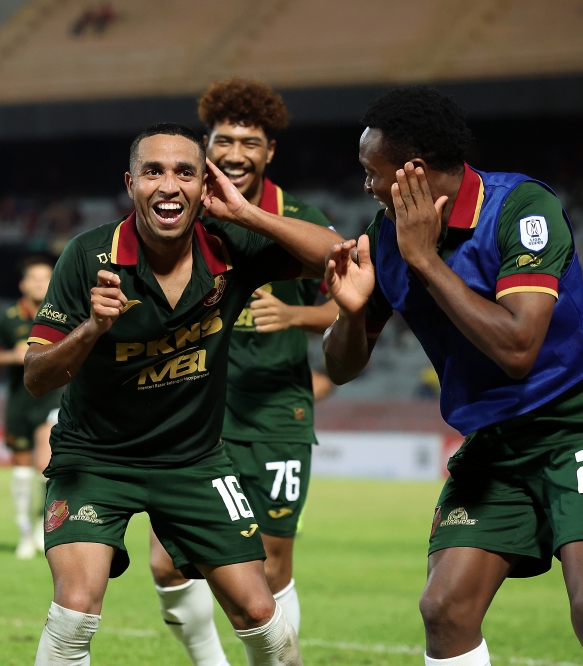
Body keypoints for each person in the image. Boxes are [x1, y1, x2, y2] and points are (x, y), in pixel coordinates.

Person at [24, 122, 343, 665]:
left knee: (262, 618)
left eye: (185, 173)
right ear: (131, 183)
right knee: (75, 610)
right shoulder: (87, 255)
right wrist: (90, 330)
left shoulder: (232, 243)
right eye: (153, 171)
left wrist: (246, 213)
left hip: (194, 460)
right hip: (96, 459)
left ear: (205, 186)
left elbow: (339, 255)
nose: (168, 185)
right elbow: (36, 376)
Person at [323, 86, 583, 666]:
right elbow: (342, 367)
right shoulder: (387, 238)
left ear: (415, 171)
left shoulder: (522, 208)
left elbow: (519, 347)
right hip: (493, 442)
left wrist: (426, 260)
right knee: (445, 609)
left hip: (579, 423)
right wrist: (351, 315)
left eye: (372, 171)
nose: (367, 185)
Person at [149, 79, 338, 666]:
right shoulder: (183, 213)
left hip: (276, 417)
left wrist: (296, 312)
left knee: (272, 563)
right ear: (206, 145)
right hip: (192, 415)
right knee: (166, 561)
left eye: (249, 142)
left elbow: (351, 301)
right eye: (223, 140)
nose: (235, 152)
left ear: (270, 150)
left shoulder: (301, 219)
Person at [0, 257, 62, 559]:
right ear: (24, 284)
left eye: (46, 278)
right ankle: (24, 533)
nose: (41, 283)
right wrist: (11, 357)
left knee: (46, 462)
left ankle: (45, 527)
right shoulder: (8, 317)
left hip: (53, 398)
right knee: (20, 471)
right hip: (19, 400)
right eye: (35, 278)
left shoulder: (65, 312)